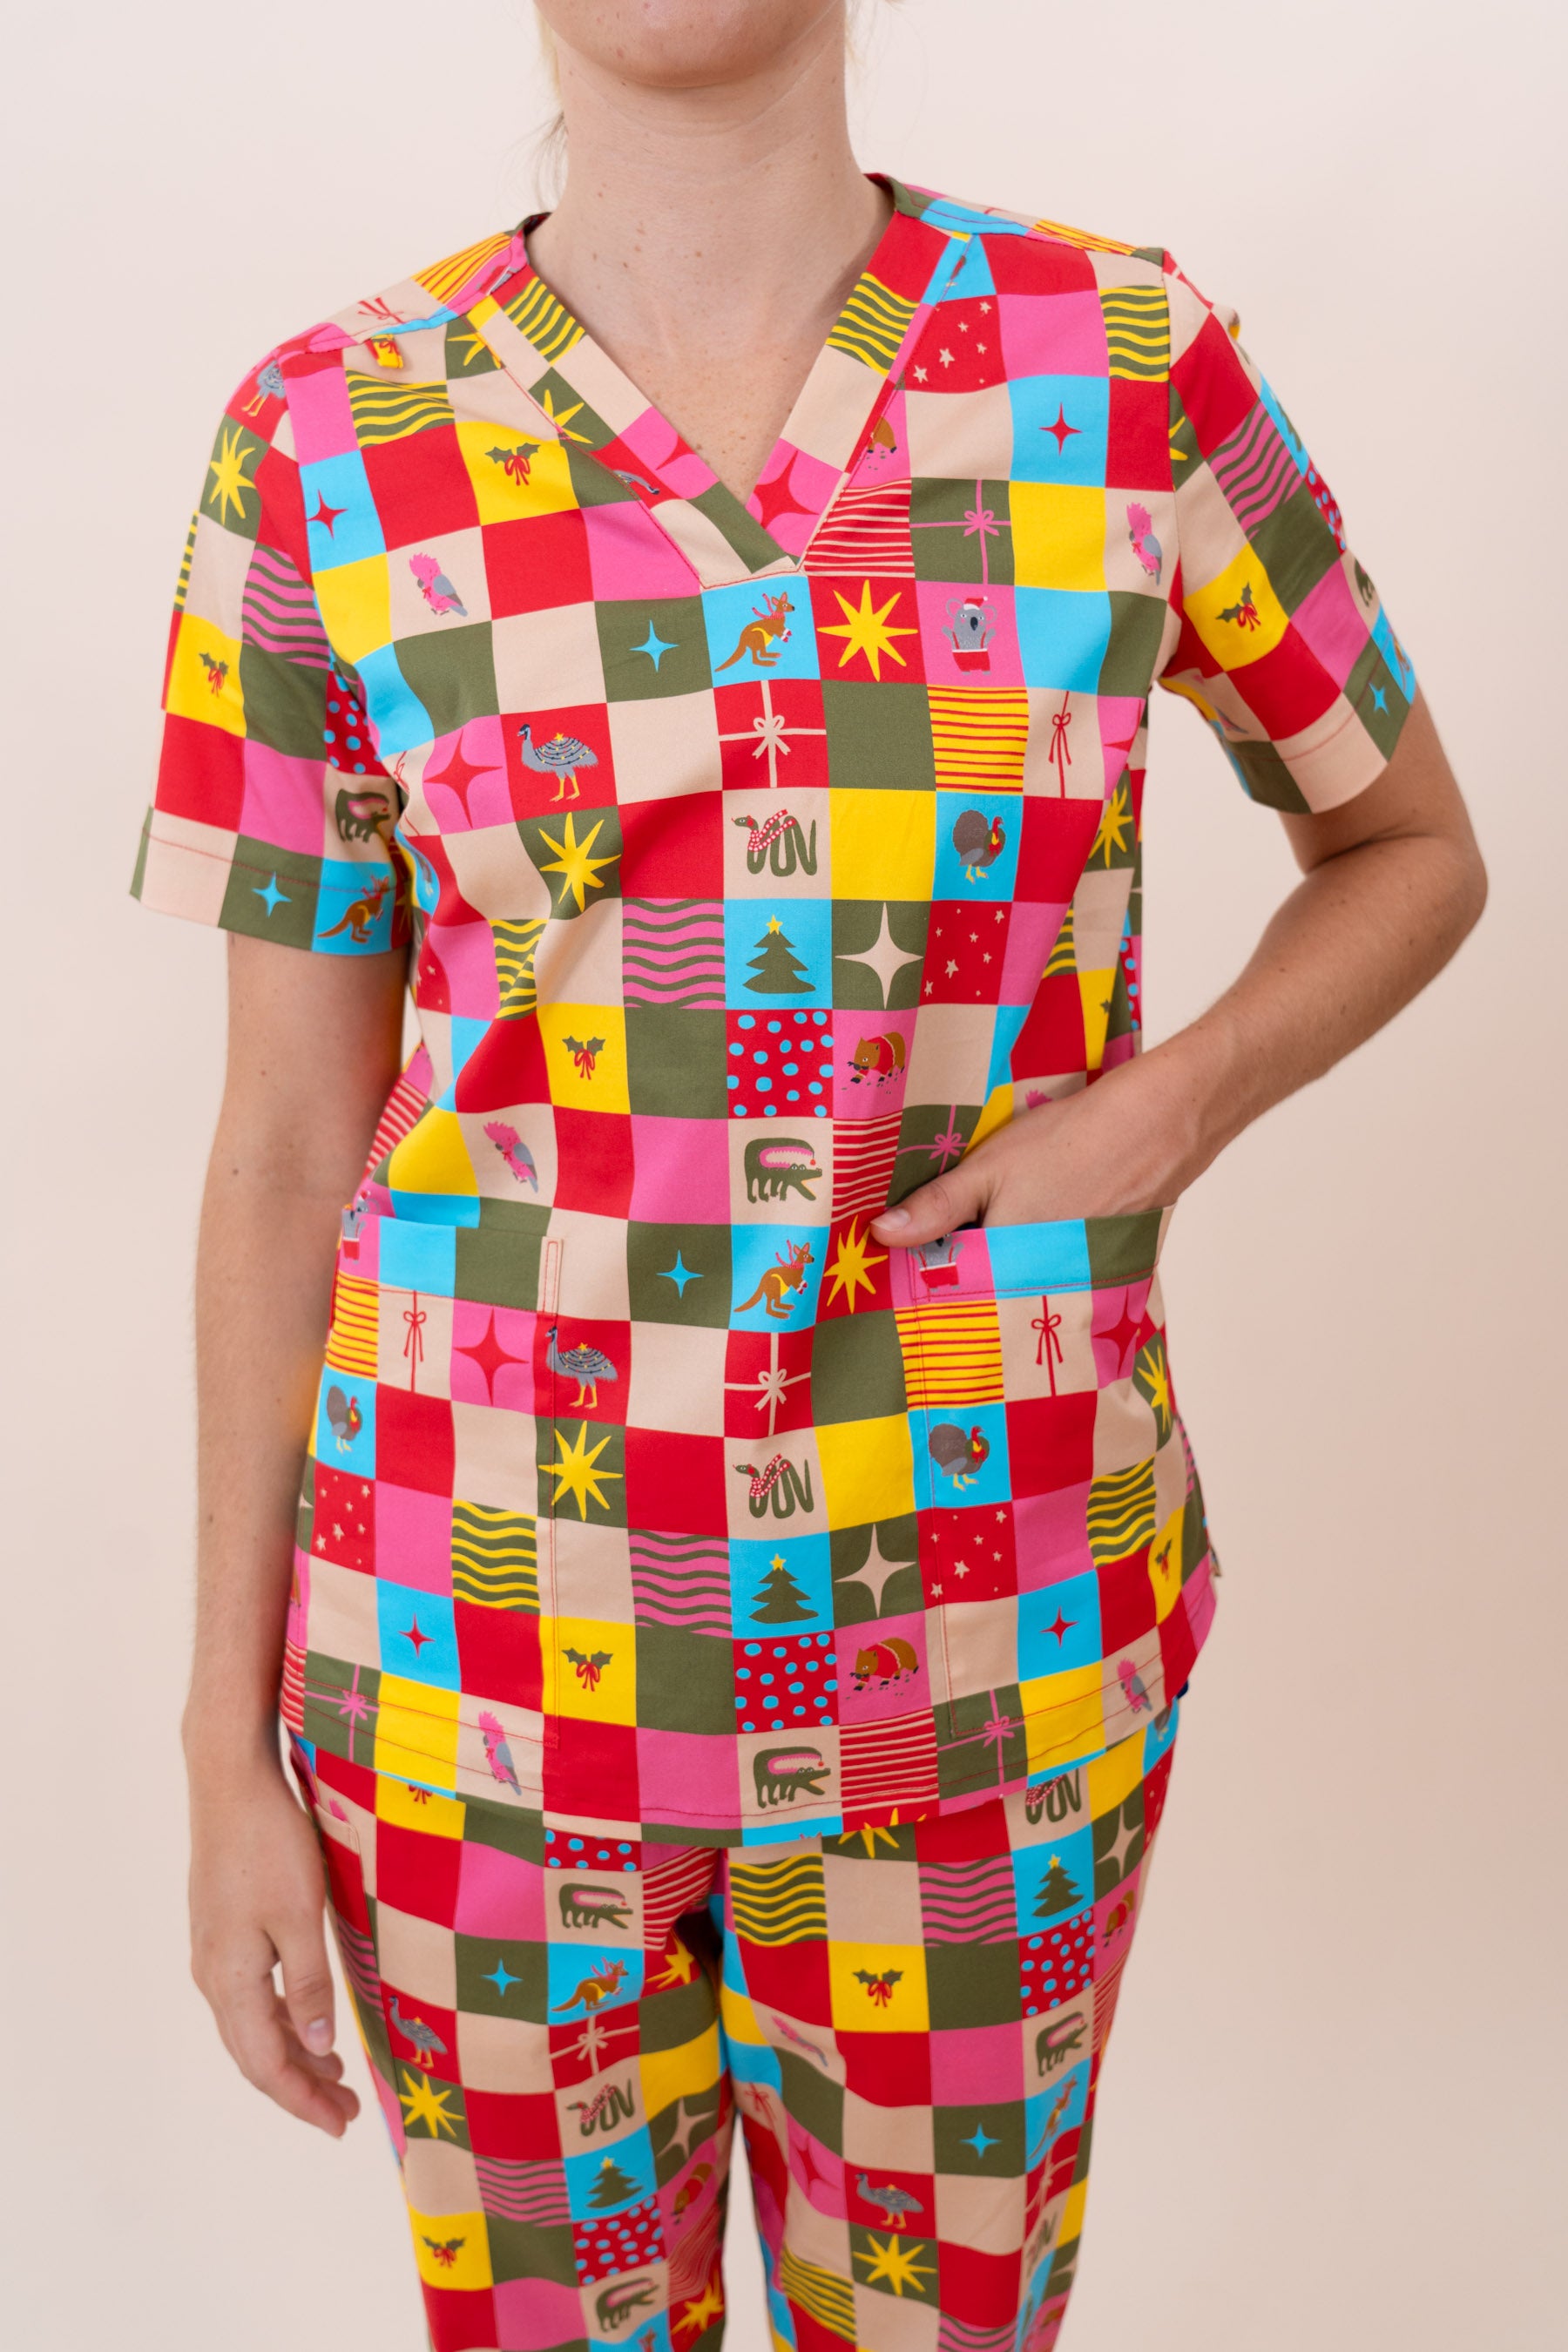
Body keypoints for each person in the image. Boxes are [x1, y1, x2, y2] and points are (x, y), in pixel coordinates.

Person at [132, 3, 1486, 2345]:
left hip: (985, 1638)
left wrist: (1170, 1105)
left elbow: (1410, 845)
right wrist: (216, 1738)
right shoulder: (329, 436)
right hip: (470, 1679)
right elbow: (282, 1143)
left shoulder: (1122, 365)